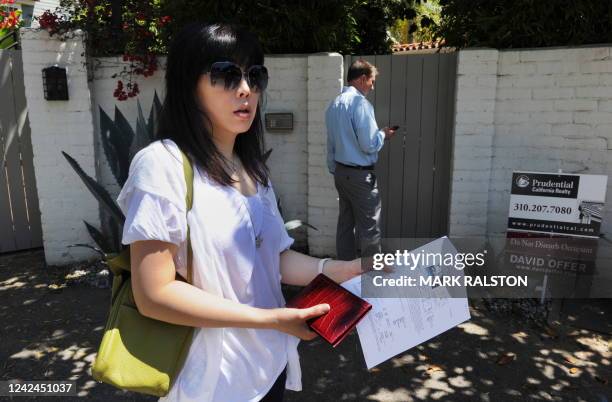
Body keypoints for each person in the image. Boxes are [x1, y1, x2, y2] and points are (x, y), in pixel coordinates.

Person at [117, 23, 362, 402]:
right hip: (214, 383)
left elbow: (274, 258)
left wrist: (332, 269)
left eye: (254, 75)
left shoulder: (253, 172)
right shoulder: (161, 164)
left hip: (270, 366)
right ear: (188, 84)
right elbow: (154, 294)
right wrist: (270, 319)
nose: (245, 89)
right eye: (226, 74)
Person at [325, 59, 397, 261]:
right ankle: (370, 278)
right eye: (372, 82)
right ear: (363, 78)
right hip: (359, 175)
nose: (372, 87)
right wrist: (383, 134)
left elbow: (330, 144)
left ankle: (344, 273)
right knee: (369, 226)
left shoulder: (334, 105)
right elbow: (369, 144)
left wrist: (335, 169)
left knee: (345, 224)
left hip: (340, 172)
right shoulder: (361, 104)